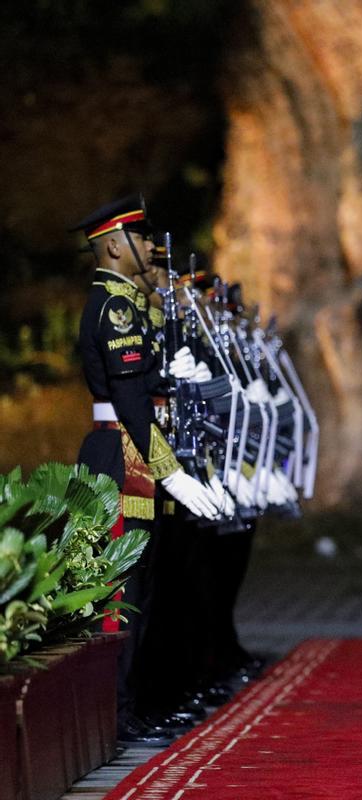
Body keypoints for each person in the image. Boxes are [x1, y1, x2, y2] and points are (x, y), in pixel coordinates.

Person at [71, 194, 224, 745]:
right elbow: (131, 401)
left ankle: (135, 702)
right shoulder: (112, 306)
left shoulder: (127, 304)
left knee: (147, 586)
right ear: (113, 245)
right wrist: (172, 472)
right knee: (122, 591)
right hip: (121, 452)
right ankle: (114, 711)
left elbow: (146, 388)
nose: (148, 248)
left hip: (135, 449)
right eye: (138, 239)